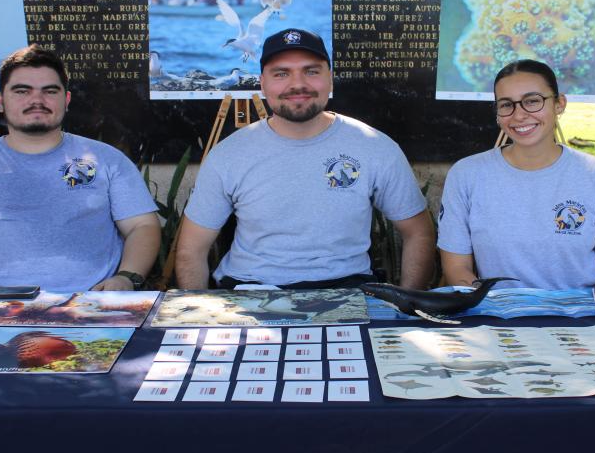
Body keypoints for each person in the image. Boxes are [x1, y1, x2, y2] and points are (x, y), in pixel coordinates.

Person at [176, 28, 434, 290]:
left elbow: (418, 232)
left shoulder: (375, 147)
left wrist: (407, 304)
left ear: (330, 79)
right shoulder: (228, 154)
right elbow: (191, 249)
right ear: (262, 83)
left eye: (311, 71)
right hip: (249, 290)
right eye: (281, 73)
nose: (297, 84)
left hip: (347, 291)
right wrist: (195, 310)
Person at [0, 45, 161, 294]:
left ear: (66, 100)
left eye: (50, 91)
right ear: (0, 101)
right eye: (22, 91)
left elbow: (141, 225)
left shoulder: (109, 160)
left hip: (94, 302)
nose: (37, 100)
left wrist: (126, 277)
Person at [438, 59, 595, 290]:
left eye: (532, 101)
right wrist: (490, 306)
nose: (519, 115)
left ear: (559, 104)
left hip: (583, 312)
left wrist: (584, 312)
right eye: (506, 105)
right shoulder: (466, 175)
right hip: (495, 311)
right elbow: (456, 268)